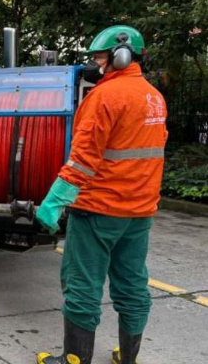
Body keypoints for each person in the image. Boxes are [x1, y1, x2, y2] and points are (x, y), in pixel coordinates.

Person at [35, 26, 168, 364]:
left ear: (121, 56)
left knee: (82, 287)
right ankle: (128, 357)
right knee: (132, 285)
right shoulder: (154, 97)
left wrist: (53, 203)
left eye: (99, 57)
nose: (95, 64)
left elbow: (83, 159)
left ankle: (74, 359)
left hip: (98, 210)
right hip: (139, 213)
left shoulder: (105, 97)